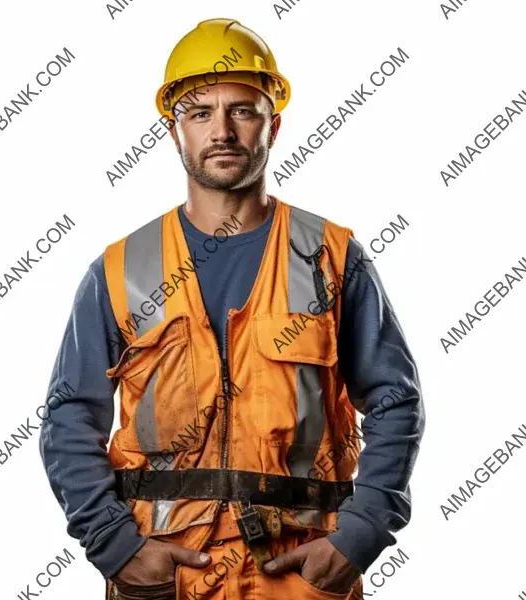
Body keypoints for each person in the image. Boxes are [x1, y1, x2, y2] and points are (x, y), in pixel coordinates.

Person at [39, 17, 425, 600]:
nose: (222, 130)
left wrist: (359, 536)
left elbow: (396, 402)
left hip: (297, 573)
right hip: (166, 576)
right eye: (200, 113)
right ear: (175, 131)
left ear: (274, 123)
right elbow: (69, 418)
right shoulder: (122, 268)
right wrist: (116, 547)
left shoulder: (330, 257)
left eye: (242, 110)